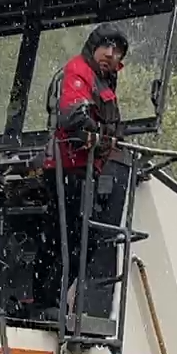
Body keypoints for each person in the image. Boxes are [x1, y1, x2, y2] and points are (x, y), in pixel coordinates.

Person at [42, 25, 127, 314]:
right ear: (94, 47)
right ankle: (46, 301)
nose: (110, 55)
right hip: (67, 167)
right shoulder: (78, 71)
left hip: (84, 170)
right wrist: (102, 136)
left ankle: (52, 299)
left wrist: (111, 140)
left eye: (117, 52)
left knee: (82, 238)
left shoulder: (105, 80)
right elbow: (73, 115)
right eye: (107, 47)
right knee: (65, 237)